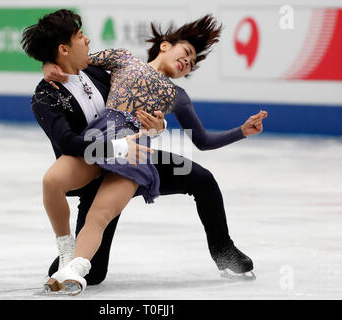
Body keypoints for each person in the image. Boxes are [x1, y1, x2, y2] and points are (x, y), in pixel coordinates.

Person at [23, 9, 267, 294]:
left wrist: (160, 126)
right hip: (90, 161)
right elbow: (71, 66)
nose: (187, 61)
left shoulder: (148, 87)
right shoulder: (66, 85)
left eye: (191, 63)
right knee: (96, 271)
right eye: (186, 51)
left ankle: (224, 251)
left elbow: (197, 138)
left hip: (133, 154)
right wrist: (47, 65)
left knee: (202, 179)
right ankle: (71, 260)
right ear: (164, 45)